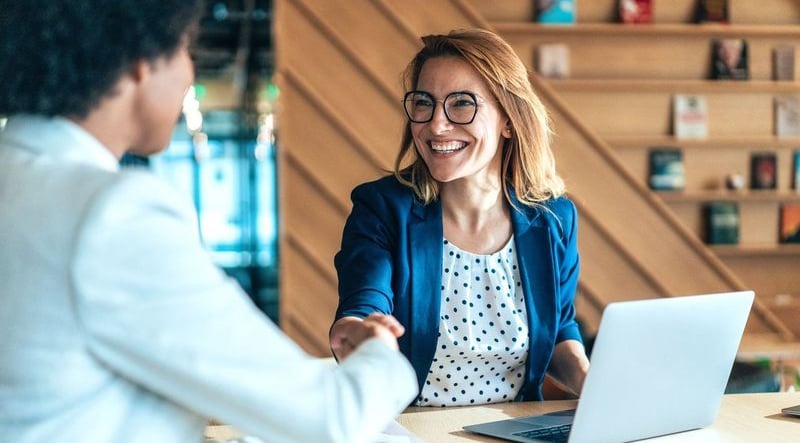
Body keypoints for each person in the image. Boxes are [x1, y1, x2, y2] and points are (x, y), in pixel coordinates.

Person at [0, 1, 417, 442]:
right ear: (140, 62)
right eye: (185, 48)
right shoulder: (112, 214)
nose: (190, 72)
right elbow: (333, 417)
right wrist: (380, 352)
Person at [329, 28, 589, 407]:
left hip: (515, 428)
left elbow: (560, 326)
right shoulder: (382, 208)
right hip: (411, 427)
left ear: (509, 120)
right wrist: (360, 334)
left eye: (462, 103)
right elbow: (363, 306)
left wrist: (589, 380)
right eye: (424, 103)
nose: (436, 125)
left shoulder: (554, 219)